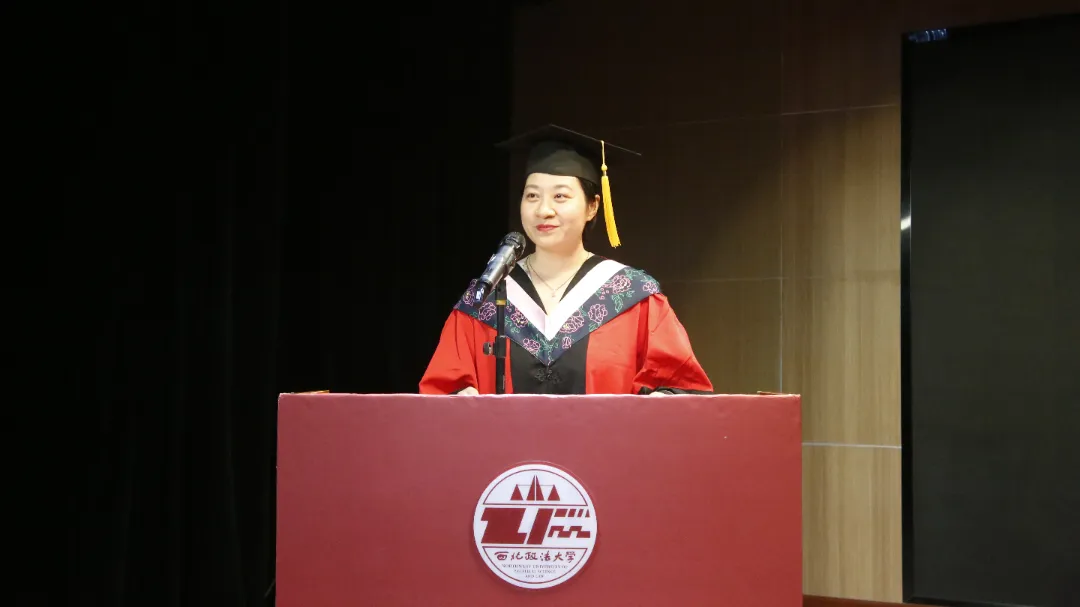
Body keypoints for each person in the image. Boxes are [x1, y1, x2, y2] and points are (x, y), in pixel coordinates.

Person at [419, 124, 713, 396]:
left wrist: (659, 403)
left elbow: (681, 389)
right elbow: (441, 392)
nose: (543, 210)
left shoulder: (633, 297)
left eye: (560, 197)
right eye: (532, 196)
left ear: (592, 206)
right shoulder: (487, 298)